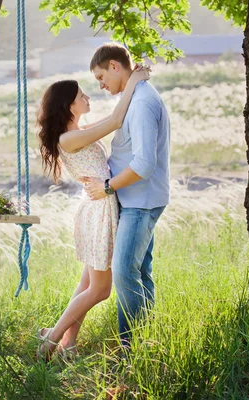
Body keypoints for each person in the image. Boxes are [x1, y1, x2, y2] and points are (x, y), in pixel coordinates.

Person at [36, 63, 151, 360]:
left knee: (87, 284)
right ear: (69, 105)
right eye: (82, 95)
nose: (88, 97)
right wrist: (134, 80)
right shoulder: (69, 138)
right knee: (100, 290)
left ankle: (68, 343)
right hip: (99, 209)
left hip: (98, 206)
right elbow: (114, 120)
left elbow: (114, 119)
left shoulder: (77, 131)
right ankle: (53, 337)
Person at [82, 42, 171, 350]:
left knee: (123, 273)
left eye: (101, 77)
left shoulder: (143, 102)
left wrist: (107, 187)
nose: (101, 85)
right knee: (140, 272)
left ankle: (128, 350)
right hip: (135, 199)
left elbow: (145, 164)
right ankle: (146, 342)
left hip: (140, 202)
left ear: (115, 66)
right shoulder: (135, 96)